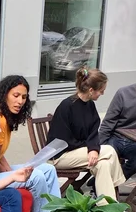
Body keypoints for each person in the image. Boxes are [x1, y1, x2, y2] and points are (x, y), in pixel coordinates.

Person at [0, 75, 62, 212]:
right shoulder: (0, 119)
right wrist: (16, 175)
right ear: (4, 94)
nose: (20, 101)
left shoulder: (6, 117)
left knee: (48, 169)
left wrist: (14, 171)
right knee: (35, 176)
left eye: (24, 97)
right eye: (16, 95)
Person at [47, 68, 126, 204]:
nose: (102, 93)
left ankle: (107, 207)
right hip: (61, 156)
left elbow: (93, 132)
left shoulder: (89, 105)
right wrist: (91, 149)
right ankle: (117, 183)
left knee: (103, 164)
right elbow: (63, 141)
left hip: (78, 153)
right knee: (109, 150)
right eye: (101, 90)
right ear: (91, 90)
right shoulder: (67, 106)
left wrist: (92, 149)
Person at [98, 83, 136, 179]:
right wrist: (99, 146)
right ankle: (101, 182)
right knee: (106, 158)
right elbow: (108, 121)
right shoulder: (123, 93)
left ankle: (106, 181)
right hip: (116, 137)